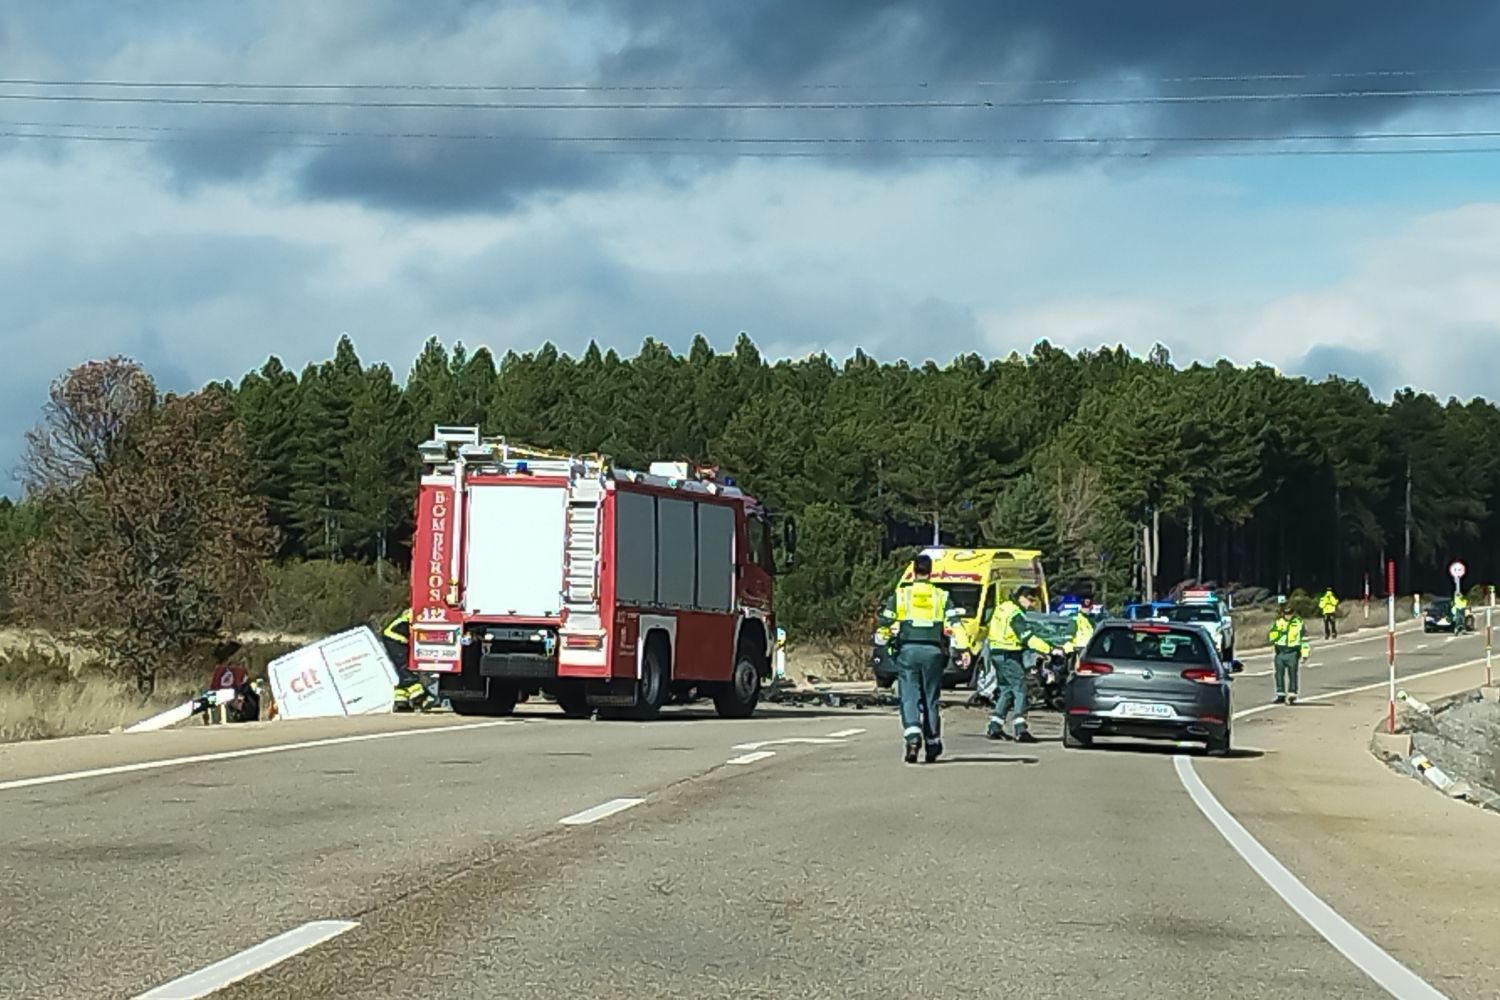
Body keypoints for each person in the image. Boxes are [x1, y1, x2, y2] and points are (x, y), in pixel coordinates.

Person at [878, 553, 961, 763]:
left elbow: (885, 623)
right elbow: (955, 624)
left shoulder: (902, 594)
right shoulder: (941, 596)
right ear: (930, 571)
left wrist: (884, 638)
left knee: (909, 695)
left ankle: (913, 738)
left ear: (914, 570)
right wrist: (963, 649)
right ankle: (932, 742)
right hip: (933, 651)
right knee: (930, 698)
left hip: (908, 650)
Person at [985, 585, 1063, 743]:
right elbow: (1027, 637)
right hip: (1008, 654)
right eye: (1030, 600)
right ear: (1021, 597)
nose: (1031, 604)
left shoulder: (1003, 607)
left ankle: (995, 726)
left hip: (995, 652)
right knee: (1020, 688)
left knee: (1006, 689)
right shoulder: (1015, 614)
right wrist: (1050, 649)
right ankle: (1020, 729)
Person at [381, 608, 432, 710]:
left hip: (393, 637)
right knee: (404, 667)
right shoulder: (415, 613)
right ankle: (420, 696)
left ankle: (401, 701)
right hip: (395, 638)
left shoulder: (412, 613)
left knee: (401, 671)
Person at [1268, 599, 1309, 705]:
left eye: (1290, 613)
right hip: (1280, 651)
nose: (1288, 616)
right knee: (1279, 674)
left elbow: (1303, 639)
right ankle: (1280, 694)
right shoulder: (1278, 622)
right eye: (1286, 614)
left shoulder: (1298, 623)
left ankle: (1292, 694)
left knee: (1292, 673)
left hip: (1293, 651)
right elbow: (1271, 636)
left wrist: (1304, 654)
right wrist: (1280, 633)